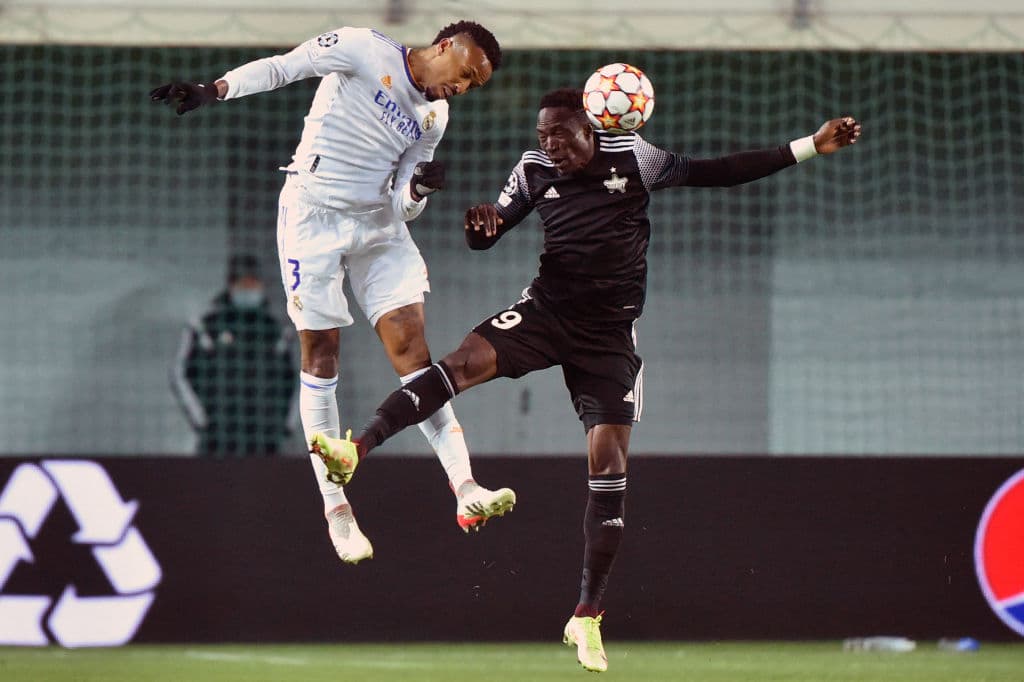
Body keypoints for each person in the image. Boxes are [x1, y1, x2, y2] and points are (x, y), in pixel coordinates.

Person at [315, 88, 861, 671]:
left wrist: (810, 146)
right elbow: (489, 232)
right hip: (548, 312)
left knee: (609, 468)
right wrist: (482, 227)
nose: (550, 145)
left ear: (592, 127)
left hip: (608, 336)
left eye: (560, 134)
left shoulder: (635, 156)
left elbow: (719, 172)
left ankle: (586, 617)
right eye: (542, 134)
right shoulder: (533, 169)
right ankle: (357, 447)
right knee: (458, 364)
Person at [151, 21, 515, 565]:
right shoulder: (363, 48)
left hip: (377, 229)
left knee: (414, 352)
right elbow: (284, 67)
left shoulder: (434, 117)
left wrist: (416, 189)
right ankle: (337, 510)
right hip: (312, 217)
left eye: (473, 86)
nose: (462, 88)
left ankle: (466, 489)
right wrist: (215, 89)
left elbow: (400, 206)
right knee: (320, 357)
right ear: (444, 48)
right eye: (464, 73)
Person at [171, 254, 297, 456]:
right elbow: (181, 373)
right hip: (217, 440)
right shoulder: (205, 326)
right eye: (242, 283)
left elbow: (296, 378)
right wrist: (202, 420)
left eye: (253, 283)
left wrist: (285, 424)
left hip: (266, 440)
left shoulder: (276, 330)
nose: (248, 289)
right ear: (231, 285)